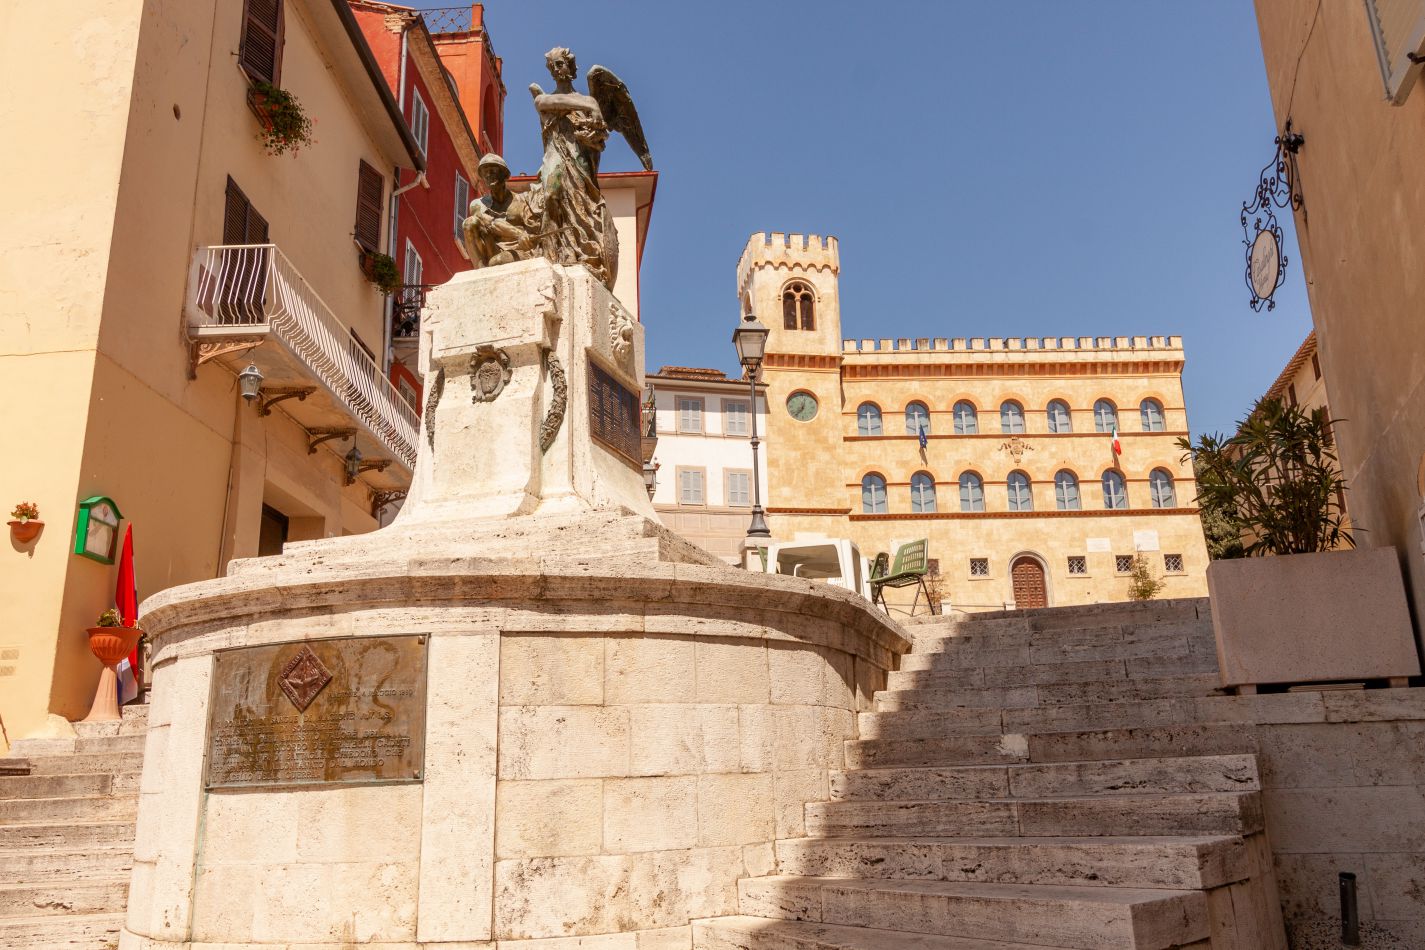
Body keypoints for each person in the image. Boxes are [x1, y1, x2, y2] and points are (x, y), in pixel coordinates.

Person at [528, 47, 617, 287]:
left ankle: (576, 251)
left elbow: (599, 140)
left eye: (560, 64)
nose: (556, 70)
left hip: (579, 161)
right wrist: (589, 105)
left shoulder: (587, 101)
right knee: (552, 194)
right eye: (552, 66)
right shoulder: (543, 99)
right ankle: (550, 252)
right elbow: (550, 102)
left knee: (581, 207)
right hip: (555, 155)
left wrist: (594, 133)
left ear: (571, 67)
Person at [461, 154, 538, 269]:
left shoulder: (523, 200)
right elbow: (491, 224)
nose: (488, 175)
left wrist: (527, 239)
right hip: (492, 249)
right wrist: (519, 234)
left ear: (504, 175)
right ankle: (480, 271)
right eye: (484, 173)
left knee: (496, 261)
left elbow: (533, 233)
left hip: (519, 251)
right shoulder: (477, 205)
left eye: (492, 171)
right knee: (469, 223)